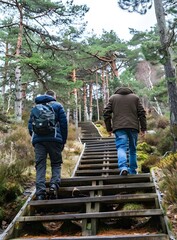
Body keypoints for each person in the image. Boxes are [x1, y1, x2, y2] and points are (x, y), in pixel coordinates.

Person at [28, 90, 68, 200]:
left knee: (40, 166)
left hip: (39, 141)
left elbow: (30, 125)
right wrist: (62, 140)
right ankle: (54, 186)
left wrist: (35, 138)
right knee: (56, 163)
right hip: (55, 139)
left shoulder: (36, 107)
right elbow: (64, 124)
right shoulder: (58, 106)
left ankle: (40, 193)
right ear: (54, 97)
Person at [103, 86, 146, 175]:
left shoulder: (113, 98)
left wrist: (109, 128)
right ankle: (133, 171)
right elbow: (142, 113)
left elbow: (106, 113)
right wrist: (143, 128)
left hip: (119, 128)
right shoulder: (135, 98)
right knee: (132, 149)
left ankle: (123, 167)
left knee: (121, 147)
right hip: (133, 127)